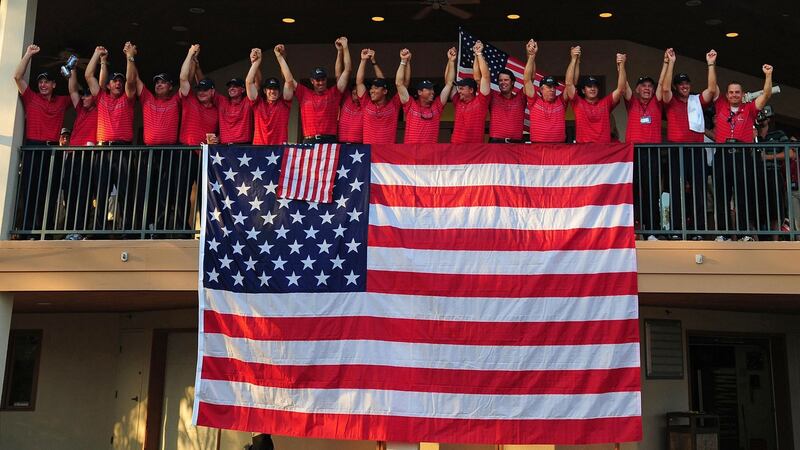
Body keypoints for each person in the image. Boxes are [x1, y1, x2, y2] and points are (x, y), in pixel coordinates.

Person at [13, 44, 74, 232]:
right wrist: (28, 54)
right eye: (40, 82)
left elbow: (74, 92)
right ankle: (27, 229)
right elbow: (17, 77)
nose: (43, 85)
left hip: (53, 149)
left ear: (54, 85)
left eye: (47, 82)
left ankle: (45, 230)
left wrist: (71, 72)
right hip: (33, 147)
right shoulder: (31, 98)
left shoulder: (62, 101)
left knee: (50, 190)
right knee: (30, 189)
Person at [711, 63, 774, 237]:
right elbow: (711, 86)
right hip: (722, 155)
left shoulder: (749, 109)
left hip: (742, 156)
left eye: (737, 92)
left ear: (742, 94)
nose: (734, 95)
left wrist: (768, 75)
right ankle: (723, 234)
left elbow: (766, 94)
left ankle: (744, 233)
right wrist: (711, 65)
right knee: (722, 195)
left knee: (744, 195)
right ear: (727, 94)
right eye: (731, 92)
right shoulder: (721, 105)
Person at [661, 48, 718, 237]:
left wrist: (711, 64)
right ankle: (677, 229)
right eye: (681, 84)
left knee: (698, 191)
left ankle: (698, 230)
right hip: (676, 151)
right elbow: (665, 89)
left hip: (696, 150)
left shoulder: (696, 100)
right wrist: (671, 63)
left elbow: (711, 90)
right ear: (677, 86)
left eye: (686, 83)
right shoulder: (670, 100)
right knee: (676, 191)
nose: (684, 86)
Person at [623, 54, 666, 237]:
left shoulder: (656, 103)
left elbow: (663, 84)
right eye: (643, 86)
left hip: (652, 153)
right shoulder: (631, 101)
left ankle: (652, 229)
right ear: (637, 89)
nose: (647, 89)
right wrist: (621, 65)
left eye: (650, 86)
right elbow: (622, 85)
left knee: (652, 192)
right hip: (633, 153)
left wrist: (665, 63)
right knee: (633, 193)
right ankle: (633, 229)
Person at [277, 37, 351, 143]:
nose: (320, 83)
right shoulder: (304, 93)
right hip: (309, 140)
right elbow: (288, 79)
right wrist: (280, 58)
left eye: (323, 79)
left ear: (326, 79)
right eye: (317, 80)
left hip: (329, 141)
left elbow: (347, 70)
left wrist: (344, 48)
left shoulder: (334, 93)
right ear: (312, 81)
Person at [565, 48, 627, 143]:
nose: (592, 89)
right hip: (583, 150)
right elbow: (569, 83)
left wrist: (622, 65)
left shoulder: (606, 103)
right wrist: (573, 59)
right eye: (589, 86)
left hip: (602, 150)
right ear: (583, 90)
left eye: (595, 86)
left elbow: (621, 89)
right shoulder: (578, 102)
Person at [396, 47, 456, 144]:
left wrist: (451, 61)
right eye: (428, 89)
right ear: (420, 92)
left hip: (430, 154)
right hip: (411, 153)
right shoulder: (410, 104)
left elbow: (449, 83)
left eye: (432, 89)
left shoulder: (437, 106)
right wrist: (403, 61)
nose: (432, 92)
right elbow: (399, 83)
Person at [126, 42, 181, 145]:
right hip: (150, 151)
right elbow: (135, 78)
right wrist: (130, 57)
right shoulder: (147, 98)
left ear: (170, 87)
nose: (159, 85)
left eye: (163, 82)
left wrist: (191, 57)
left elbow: (185, 79)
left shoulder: (176, 100)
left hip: (169, 152)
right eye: (157, 82)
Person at [472, 43, 526, 143]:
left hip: (516, 144)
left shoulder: (520, 98)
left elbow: (528, 79)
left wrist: (531, 56)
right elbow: (478, 78)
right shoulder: (493, 96)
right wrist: (478, 54)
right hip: (496, 143)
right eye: (500, 80)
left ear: (513, 82)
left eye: (506, 80)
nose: (503, 83)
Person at [523, 40, 570, 143]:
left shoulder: (561, 101)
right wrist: (531, 56)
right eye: (549, 87)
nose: (552, 89)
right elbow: (527, 80)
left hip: (559, 148)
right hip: (537, 148)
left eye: (554, 87)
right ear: (541, 89)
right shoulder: (534, 100)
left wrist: (574, 60)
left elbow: (570, 83)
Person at [246, 47, 293, 145]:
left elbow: (289, 81)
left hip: (279, 150)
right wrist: (256, 62)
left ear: (279, 91)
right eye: (270, 88)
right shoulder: (258, 104)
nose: (273, 91)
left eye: (275, 88)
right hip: (259, 149)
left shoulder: (284, 104)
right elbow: (249, 82)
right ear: (264, 90)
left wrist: (280, 57)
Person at [450, 40, 491, 144]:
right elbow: (449, 83)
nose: (459, 91)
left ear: (471, 90)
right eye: (459, 88)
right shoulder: (457, 101)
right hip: (456, 149)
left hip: (475, 150)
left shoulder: (481, 102)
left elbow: (485, 77)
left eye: (462, 88)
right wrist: (451, 61)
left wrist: (479, 54)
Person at [357, 49, 400, 144]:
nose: (372, 91)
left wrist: (374, 62)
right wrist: (363, 60)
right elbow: (359, 83)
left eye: (375, 88)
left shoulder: (394, 105)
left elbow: (401, 84)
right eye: (371, 88)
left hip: (387, 153)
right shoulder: (366, 103)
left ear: (385, 91)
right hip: (369, 153)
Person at [178, 44, 219, 146]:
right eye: (199, 89)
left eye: (205, 90)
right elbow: (183, 78)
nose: (201, 92)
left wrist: (217, 139)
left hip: (205, 154)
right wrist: (190, 54)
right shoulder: (190, 99)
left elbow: (222, 132)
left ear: (212, 92)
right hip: (186, 151)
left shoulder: (217, 109)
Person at [336, 41, 362, 143]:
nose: (355, 92)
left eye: (358, 90)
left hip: (359, 146)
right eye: (353, 90)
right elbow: (339, 75)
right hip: (342, 144)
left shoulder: (366, 104)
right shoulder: (346, 99)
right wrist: (340, 51)